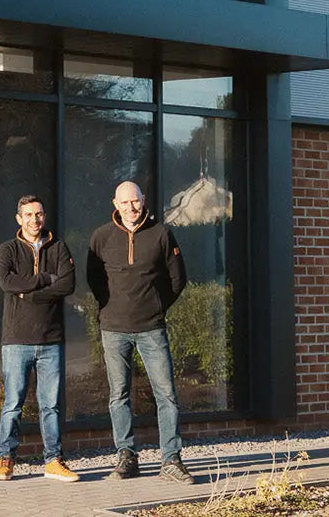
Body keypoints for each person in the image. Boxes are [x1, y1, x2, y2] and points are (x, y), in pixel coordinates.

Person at [87, 180, 193, 484]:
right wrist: (109, 307)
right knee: (118, 396)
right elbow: (94, 279)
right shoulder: (101, 237)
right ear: (115, 204)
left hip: (151, 328)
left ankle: (171, 460)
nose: (131, 208)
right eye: (124, 203)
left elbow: (177, 278)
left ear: (143, 200)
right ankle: (126, 457)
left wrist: (157, 307)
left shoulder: (161, 234)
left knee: (167, 395)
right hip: (113, 329)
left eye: (135, 201)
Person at [0, 194, 79, 482]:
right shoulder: (8, 249)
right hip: (16, 340)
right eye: (28, 215)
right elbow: (7, 282)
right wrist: (45, 279)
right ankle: (6, 459)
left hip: (50, 340)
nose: (34, 220)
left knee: (50, 405)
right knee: (12, 404)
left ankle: (53, 460)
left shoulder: (59, 247)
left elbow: (67, 285)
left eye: (39, 214)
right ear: (19, 219)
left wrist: (27, 292)